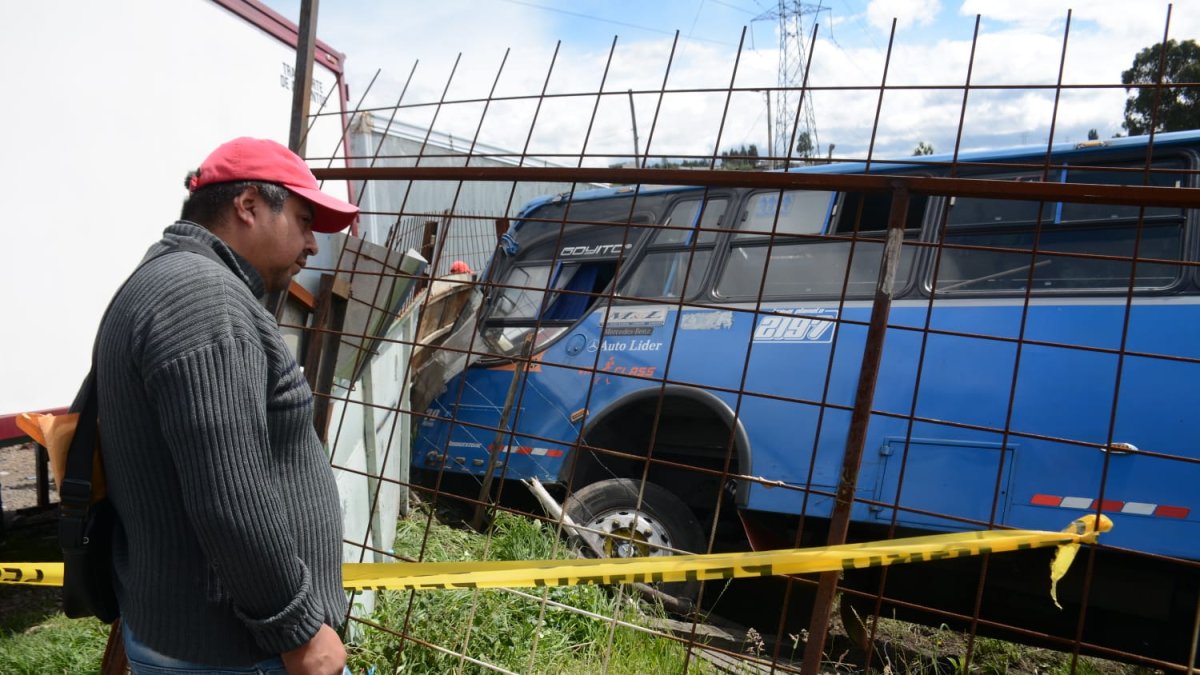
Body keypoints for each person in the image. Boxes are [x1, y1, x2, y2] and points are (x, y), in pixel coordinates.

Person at [95, 137, 359, 674]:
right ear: (249, 207)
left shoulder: (161, 279)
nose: (312, 244)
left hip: (196, 636)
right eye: (305, 221)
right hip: (240, 652)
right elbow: (231, 497)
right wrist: (298, 630)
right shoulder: (206, 300)